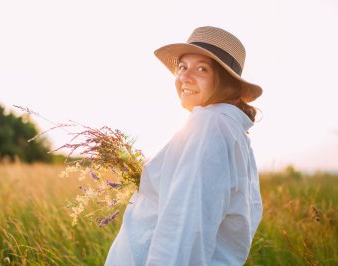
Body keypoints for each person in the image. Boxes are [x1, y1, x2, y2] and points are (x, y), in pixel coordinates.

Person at [105, 26, 263, 266]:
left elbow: (182, 226)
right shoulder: (231, 130)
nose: (184, 78)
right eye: (182, 67)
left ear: (226, 80)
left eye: (202, 69)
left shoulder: (210, 125)